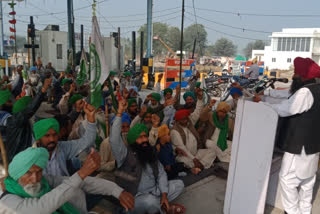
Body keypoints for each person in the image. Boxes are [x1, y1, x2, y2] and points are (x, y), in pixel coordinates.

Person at [253, 57, 320, 214]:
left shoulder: (305, 92)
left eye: (296, 73)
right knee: (308, 181)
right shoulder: (315, 88)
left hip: (299, 146)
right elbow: (290, 96)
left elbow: (286, 109)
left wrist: (261, 103)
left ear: (302, 75)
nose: (293, 76)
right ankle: (305, 211)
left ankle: (292, 211)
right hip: (314, 144)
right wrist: (268, 93)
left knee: (287, 179)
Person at [0, 147, 135, 213]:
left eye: (39, 171)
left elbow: (83, 182)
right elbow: (40, 208)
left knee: (74, 189)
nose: (35, 179)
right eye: (28, 173)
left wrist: (116, 191)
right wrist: (81, 173)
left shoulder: (44, 182)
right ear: (18, 174)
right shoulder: (6, 199)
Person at [109, 99, 185, 214]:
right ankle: (163, 208)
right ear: (133, 141)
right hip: (135, 198)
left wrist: (164, 195)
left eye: (145, 136)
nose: (144, 140)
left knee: (179, 184)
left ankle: (161, 203)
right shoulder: (124, 155)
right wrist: (119, 112)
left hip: (155, 192)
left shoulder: (149, 153)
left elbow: (161, 173)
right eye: (140, 138)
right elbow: (114, 139)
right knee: (150, 202)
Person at [33, 103, 97, 177]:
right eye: (47, 136)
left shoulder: (62, 147)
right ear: (38, 139)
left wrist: (91, 117)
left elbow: (87, 141)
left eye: (54, 135)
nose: (52, 139)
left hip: (66, 186)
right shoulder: (31, 158)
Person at [5, 78, 52, 162]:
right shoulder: (15, 120)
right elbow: (31, 109)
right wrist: (43, 90)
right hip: (20, 161)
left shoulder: (24, 120)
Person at [170, 90, 215, 175]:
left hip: (195, 153)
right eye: (182, 119)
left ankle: (199, 166)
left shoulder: (189, 122)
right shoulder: (174, 131)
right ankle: (202, 164)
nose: (185, 120)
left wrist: (200, 99)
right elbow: (182, 147)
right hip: (185, 156)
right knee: (183, 161)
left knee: (212, 151)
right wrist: (194, 159)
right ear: (177, 120)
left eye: (186, 118)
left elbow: (197, 111)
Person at [97, 112, 131, 181]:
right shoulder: (106, 143)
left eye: (128, 127)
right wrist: (115, 163)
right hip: (108, 177)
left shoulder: (127, 139)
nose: (126, 130)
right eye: (122, 127)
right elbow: (99, 166)